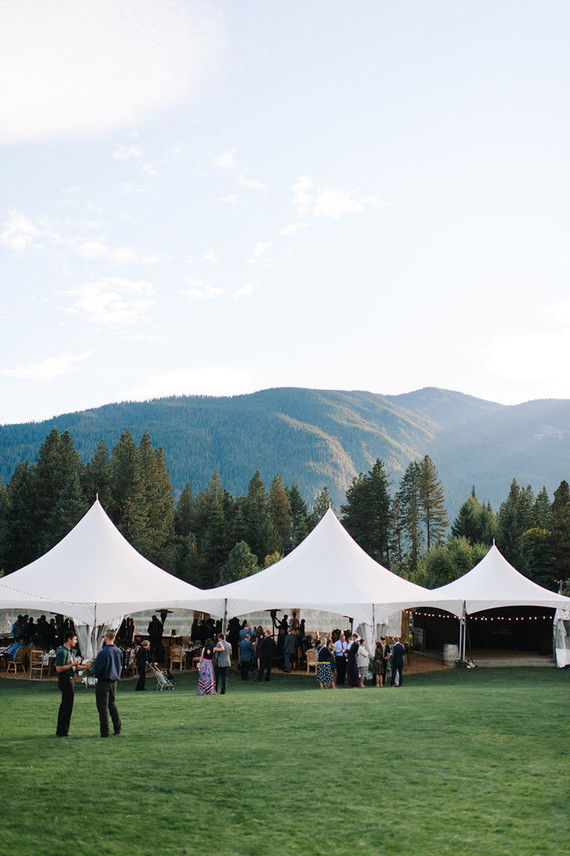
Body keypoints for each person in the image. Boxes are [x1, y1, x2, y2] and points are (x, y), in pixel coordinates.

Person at [93, 629, 123, 737]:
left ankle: (105, 731)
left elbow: (97, 669)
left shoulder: (103, 652)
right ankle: (117, 728)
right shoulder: (118, 651)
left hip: (104, 681)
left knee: (102, 707)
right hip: (114, 682)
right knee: (112, 704)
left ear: (106, 638)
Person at [54, 631, 83, 737]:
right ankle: (62, 730)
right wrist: (73, 664)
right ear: (69, 640)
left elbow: (75, 667)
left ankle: (63, 729)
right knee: (66, 706)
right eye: (74, 639)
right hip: (65, 680)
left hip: (71, 680)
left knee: (68, 705)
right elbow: (58, 668)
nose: (76, 641)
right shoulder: (62, 652)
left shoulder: (70, 652)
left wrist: (84, 667)